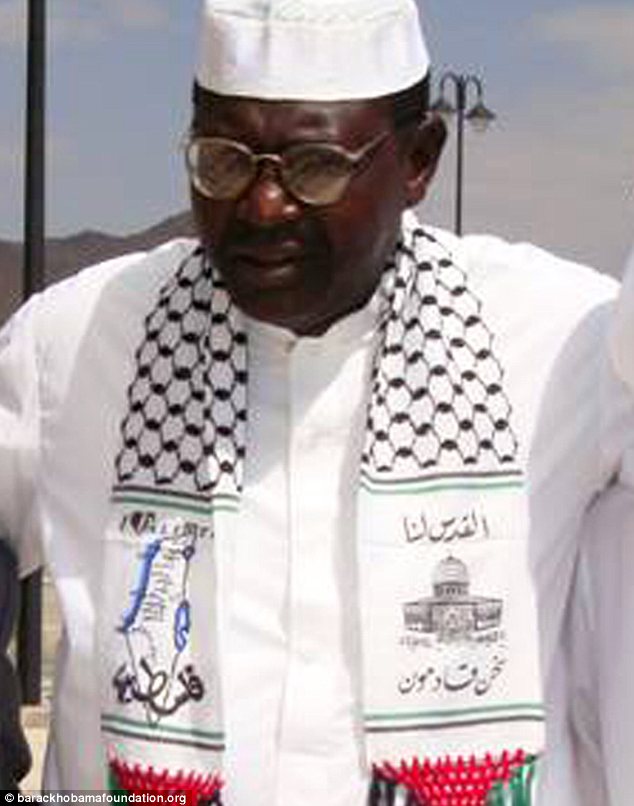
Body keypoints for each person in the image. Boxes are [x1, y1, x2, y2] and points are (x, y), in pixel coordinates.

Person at [0, 1, 632, 803]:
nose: (263, 206)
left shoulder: (566, 341)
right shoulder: (77, 342)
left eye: (316, 169)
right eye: (224, 163)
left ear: (419, 161)